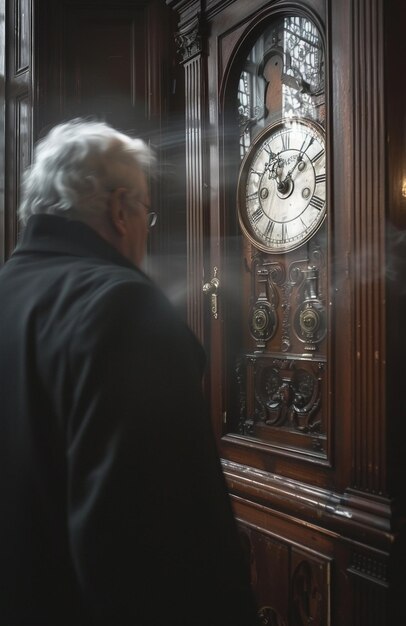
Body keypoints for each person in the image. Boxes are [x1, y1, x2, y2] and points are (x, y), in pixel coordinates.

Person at [0, 119, 258, 625]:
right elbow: (160, 565)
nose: (146, 228)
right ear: (120, 210)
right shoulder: (123, 308)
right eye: (146, 211)